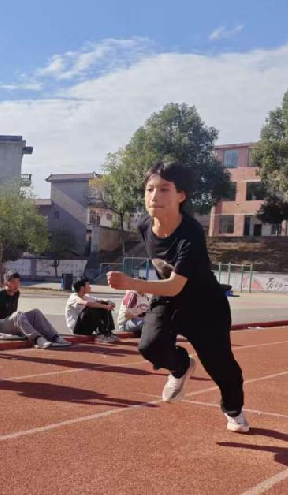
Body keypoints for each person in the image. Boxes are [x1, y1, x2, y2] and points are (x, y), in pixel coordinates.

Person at [106, 161, 248, 433]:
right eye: (149, 189)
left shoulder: (191, 234)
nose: (154, 196)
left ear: (181, 195)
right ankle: (181, 366)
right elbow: (169, 291)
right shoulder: (144, 225)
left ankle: (234, 410)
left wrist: (130, 283)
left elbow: (174, 285)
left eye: (164, 189)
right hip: (169, 301)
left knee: (221, 366)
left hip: (205, 306)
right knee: (150, 346)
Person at [0, 270, 70, 348]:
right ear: (6, 283)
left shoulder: (16, 293)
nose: (16, 285)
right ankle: (37, 339)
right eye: (13, 282)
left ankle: (54, 337)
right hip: (0, 325)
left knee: (35, 312)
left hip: (13, 323)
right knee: (18, 314)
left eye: (18, 282)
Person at [66, 278, 119, 343]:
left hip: (86, 327)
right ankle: (100, 335)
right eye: (88, 285)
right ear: (82, 288)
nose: (90, 286)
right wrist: (105, 306)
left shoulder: (86, 296)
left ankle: (107, 332)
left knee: (102, 304)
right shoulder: (74, 298)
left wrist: (109, 302)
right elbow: (86, 303)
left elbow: (99, 300)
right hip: (78, 329)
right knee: (90, 308)